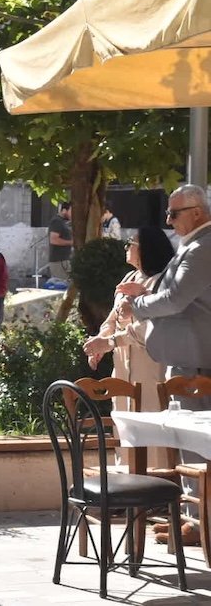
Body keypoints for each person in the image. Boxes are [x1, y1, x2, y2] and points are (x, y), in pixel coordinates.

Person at [118, 185, 211, 545]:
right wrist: (145, 295)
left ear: (197, 213)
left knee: (197, 446)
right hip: (189, 361)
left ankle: (199, 525)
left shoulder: (202, 248)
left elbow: (176, 299)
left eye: (174, 213)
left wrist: (137, 306)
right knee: (190, 444)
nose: (168, 221)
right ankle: (194, 520)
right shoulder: (194, 245)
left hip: (197, 364)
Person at [83, 226, 175, 413]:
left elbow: (149, 328)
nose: (126, 247)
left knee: (150, 423)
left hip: (150, 369)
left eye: (130, 243)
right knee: (123, 424)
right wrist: (100, 340)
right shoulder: (130, 277)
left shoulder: (163, 282)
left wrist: (110, 342)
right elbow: (113, 318)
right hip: (122, 370)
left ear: (145, 249)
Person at [48, 202, 73, 280]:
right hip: (59, 261)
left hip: (64, 260)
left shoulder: (63, 222)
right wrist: (71, 242)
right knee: (62, 284)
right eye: (71, 211)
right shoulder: (57, 221)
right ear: (64, 210)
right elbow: (53, 240)